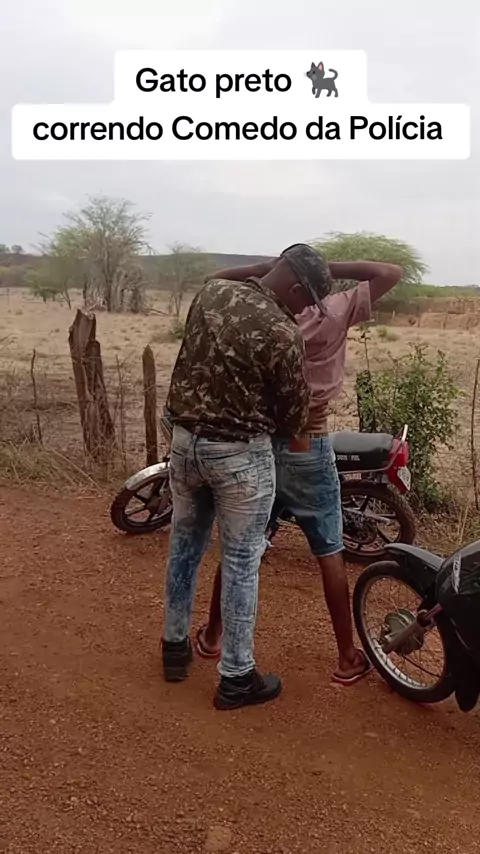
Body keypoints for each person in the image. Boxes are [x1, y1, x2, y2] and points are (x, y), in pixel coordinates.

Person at [196, 254, 402, 685]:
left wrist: (268, 266)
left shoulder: (269, 314)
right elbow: (389, 272)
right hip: (310, 439)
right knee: (329, 549)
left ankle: (213, 635)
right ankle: (346, 656)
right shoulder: (336, 309)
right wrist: (329, 268)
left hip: (262, 440)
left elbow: (213, 278)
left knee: (242, 547)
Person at [161, 244, 334, 711]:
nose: (306, 310)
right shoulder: (282, 331)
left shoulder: (212, 294)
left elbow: (219, 276)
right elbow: (295, 424)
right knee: (241, 560)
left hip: (185, 444)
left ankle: (174, 647)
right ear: (295, 288)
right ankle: (236, 676)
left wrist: (262, 268)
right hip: (239, 457)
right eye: (308, 299)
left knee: (184, 546)